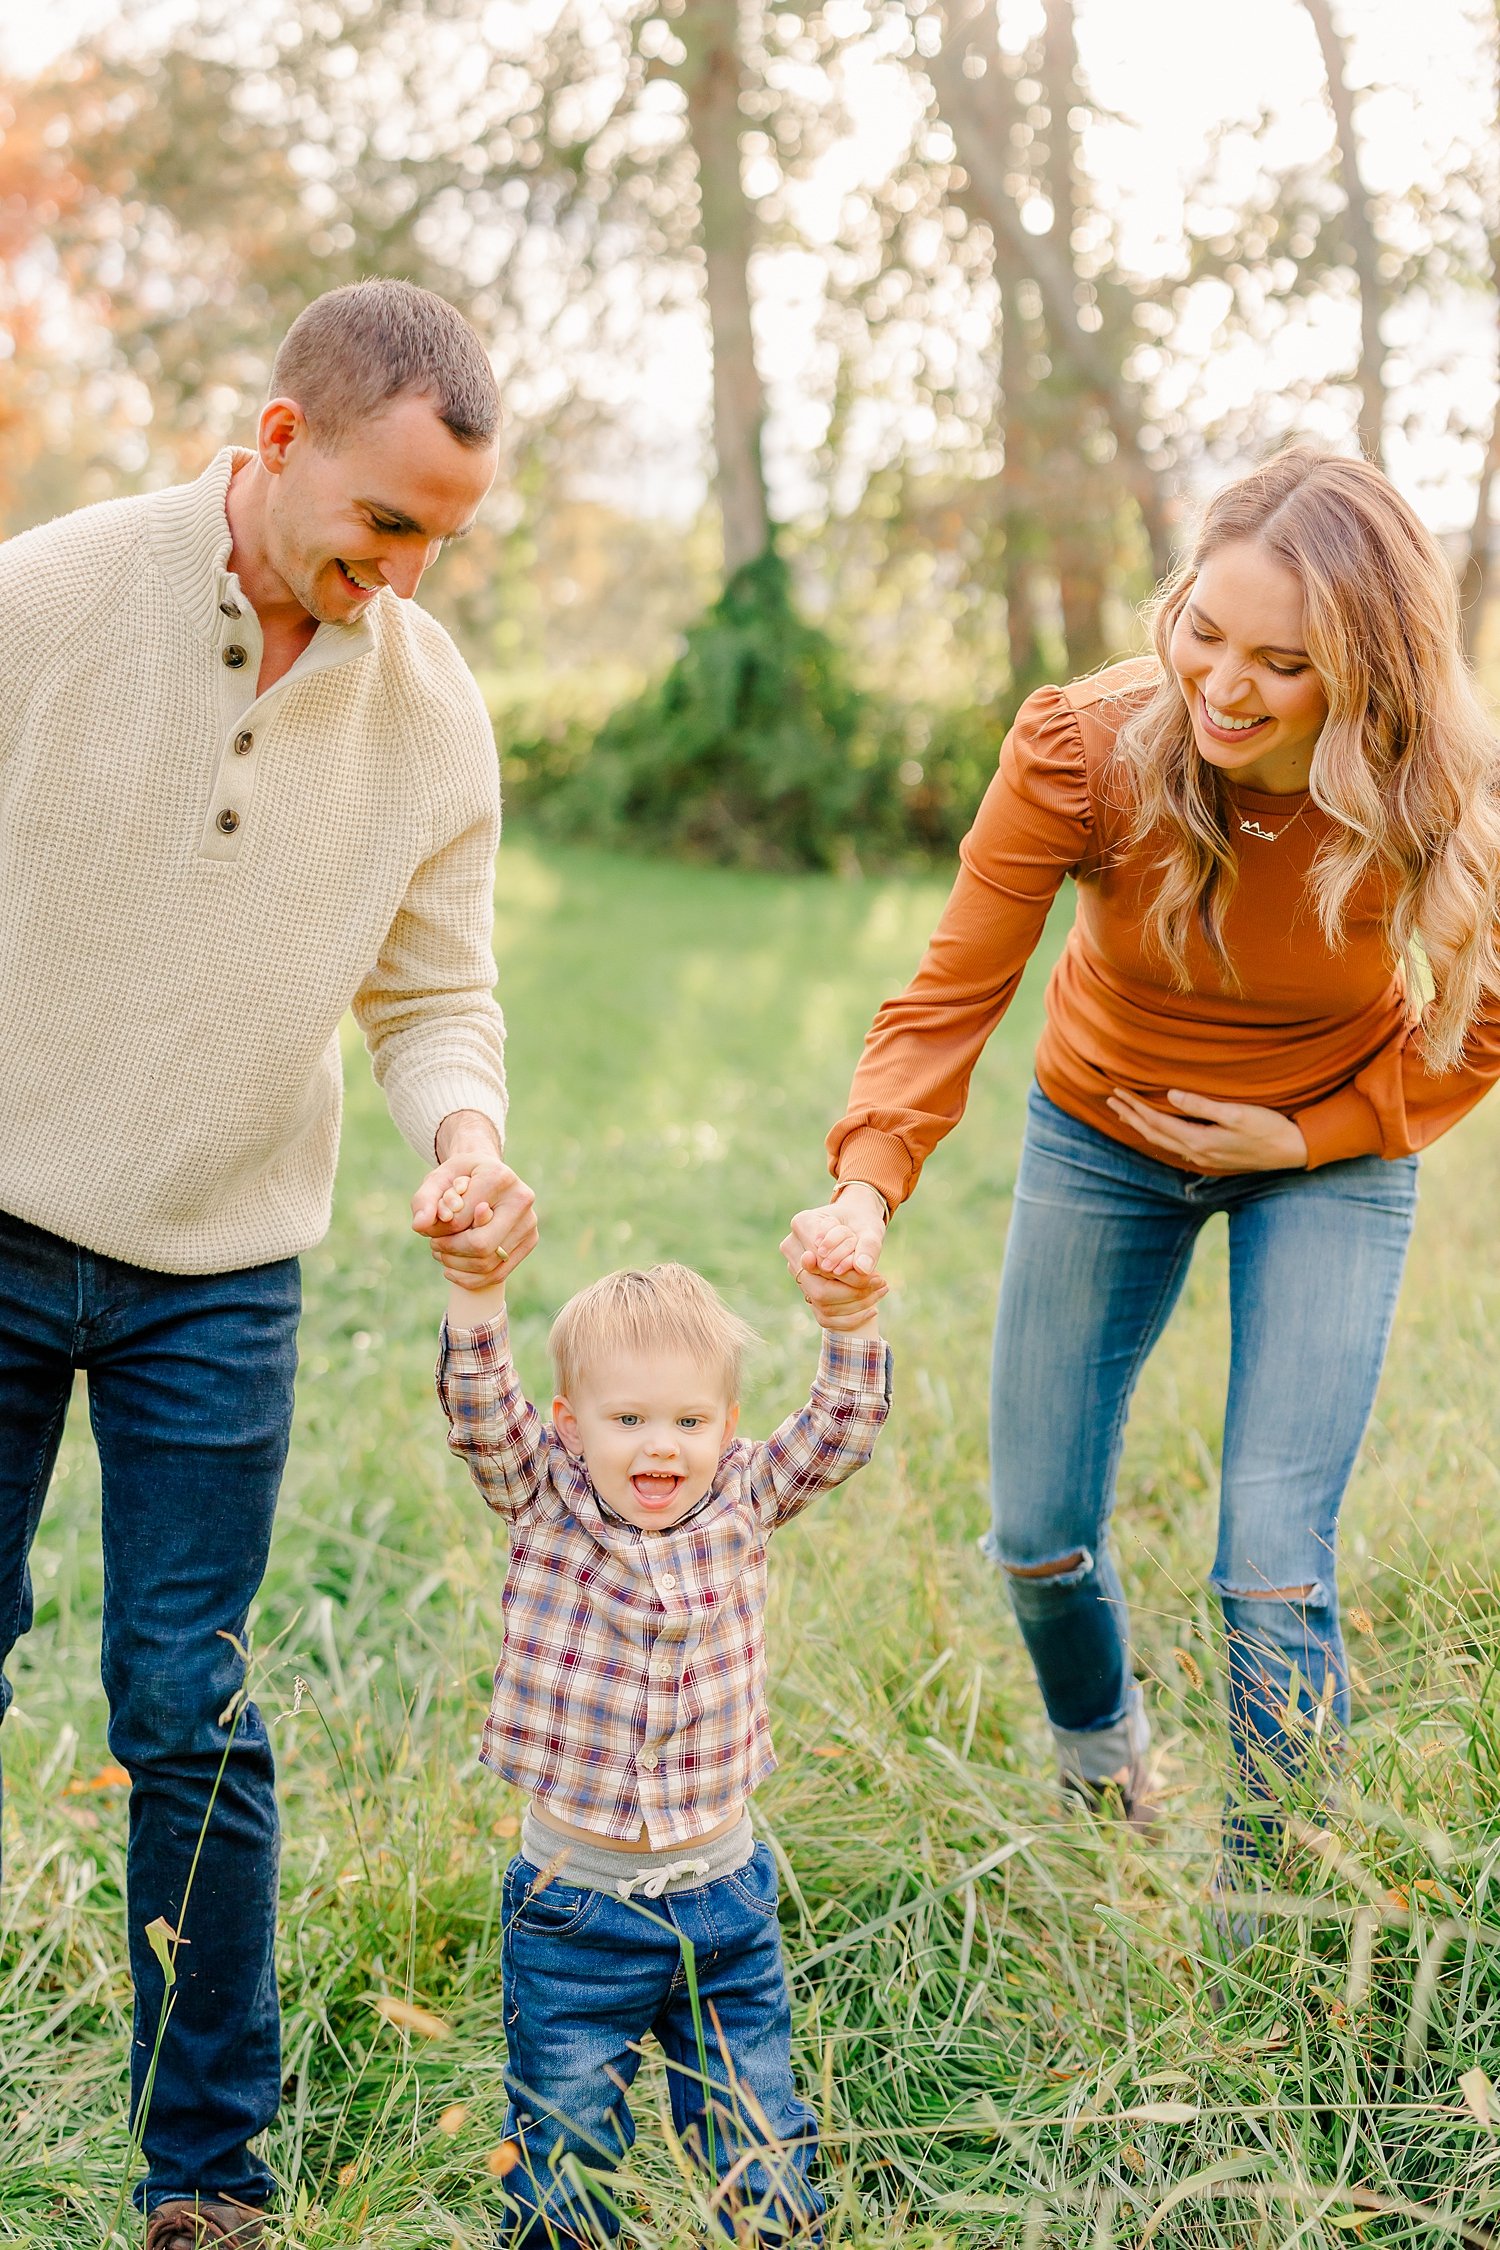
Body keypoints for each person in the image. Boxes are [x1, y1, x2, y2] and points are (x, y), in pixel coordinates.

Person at [0, 279, 538, 2246]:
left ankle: (204, 2179)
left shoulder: (427, 709)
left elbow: (437, 994)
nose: (403, 575)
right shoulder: (46, 601)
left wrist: (465, 1140)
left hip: (221, 1268)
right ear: (281, 435)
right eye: (386, 522)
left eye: (441, 542)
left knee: (187, 1706)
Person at [784, 446, 1500, 1877]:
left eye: (1282, 663)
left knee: (1270, 1565)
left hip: (1325, 1155)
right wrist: (867, 1179)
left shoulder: (1439, 785)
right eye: (1203, 633)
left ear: (1366, 670)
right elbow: (951, 989)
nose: (1224, 687)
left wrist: (1315, 1132)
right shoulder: (1089, 746)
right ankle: (1107, 1772)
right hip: (1102, 1139)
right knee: (1039, 1534)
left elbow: (1483, 1017)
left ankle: (1289, 1912)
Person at [435, 1240, 891, 2245]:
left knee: (758, 2132)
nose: (660, 1448)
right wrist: (478, 1289)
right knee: (563, 2141)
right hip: (574, 1911)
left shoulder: (743, 1495)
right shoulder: (543, 1496)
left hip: (722, 1903)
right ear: (568, 1426)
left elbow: (840, 1430)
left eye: (687, 1421)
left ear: (727, 1427)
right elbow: (478, 1414)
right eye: (628, 1420)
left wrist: (850, 1321)